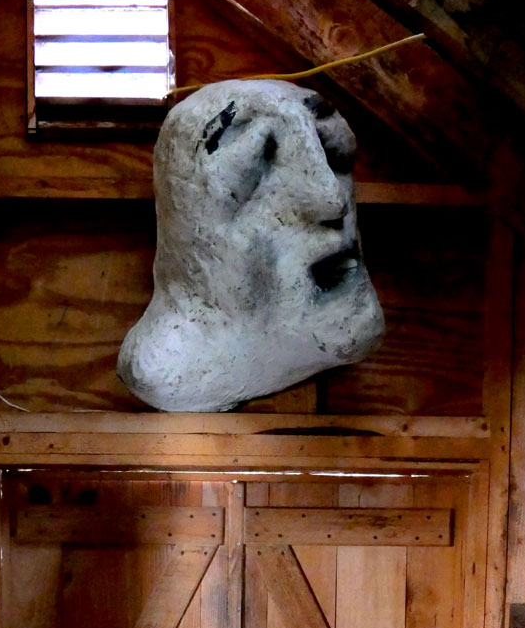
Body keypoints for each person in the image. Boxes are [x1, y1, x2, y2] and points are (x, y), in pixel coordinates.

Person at [118, 79, 384, 412]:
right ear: (192, 246)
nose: (333, 200)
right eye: (254, 170)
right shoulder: (165, 365)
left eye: (332, 150)